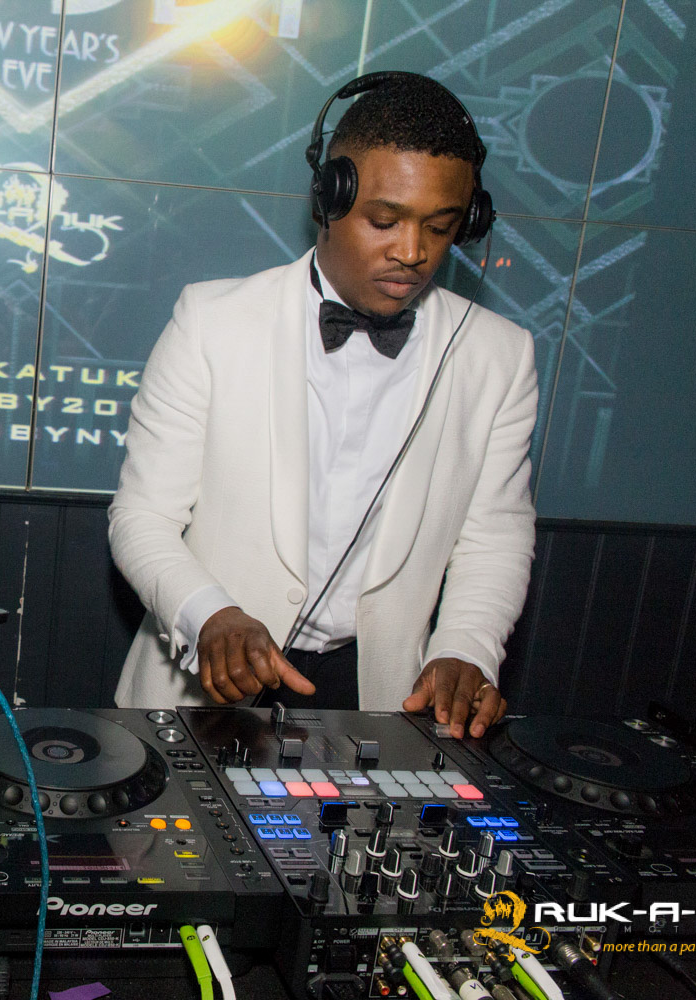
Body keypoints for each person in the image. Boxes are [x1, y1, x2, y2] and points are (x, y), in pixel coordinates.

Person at [108, 73, 536, 739]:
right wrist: (208, 613)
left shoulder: (500, 355)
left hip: (384, 695)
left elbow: (494, 538)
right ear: (328, 201)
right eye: (384, 221)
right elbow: (143, 517)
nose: (413, 253)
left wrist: (465, 649)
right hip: (202, 687)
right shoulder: (211, 321)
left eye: (440, 227)